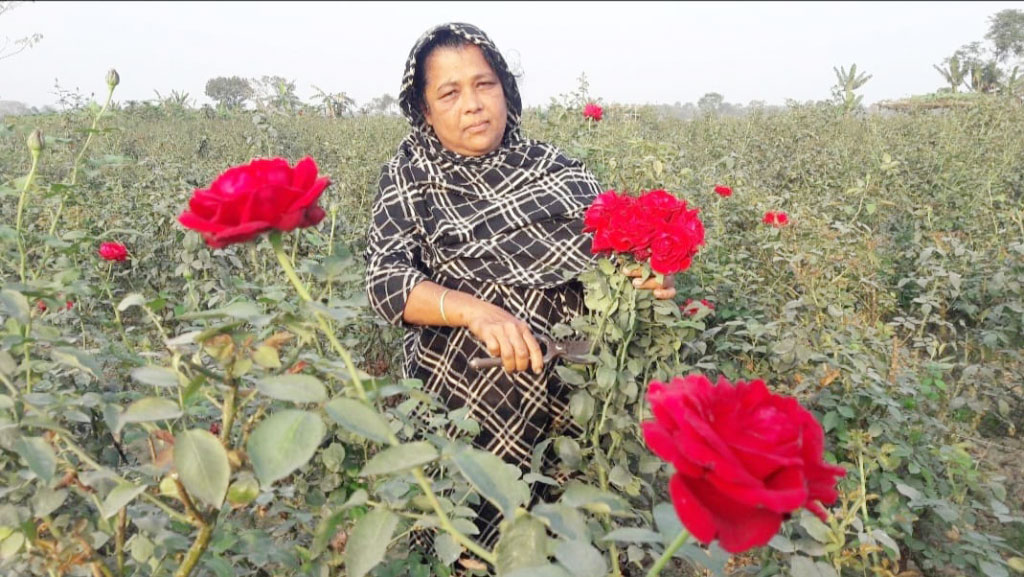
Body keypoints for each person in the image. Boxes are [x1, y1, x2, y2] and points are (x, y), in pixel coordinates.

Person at [364, 22, 676, 553]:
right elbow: (385, 281)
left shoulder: (560, 171)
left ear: (506, 88)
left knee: (570, 538)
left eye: (484, 85)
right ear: (425, 109)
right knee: (467, 544)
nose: (473, 104)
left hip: (572, 401)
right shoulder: (409, 177)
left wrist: (644, 275)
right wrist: (476, 312)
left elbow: (614, 261)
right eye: (450, 92)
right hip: (464, 405)